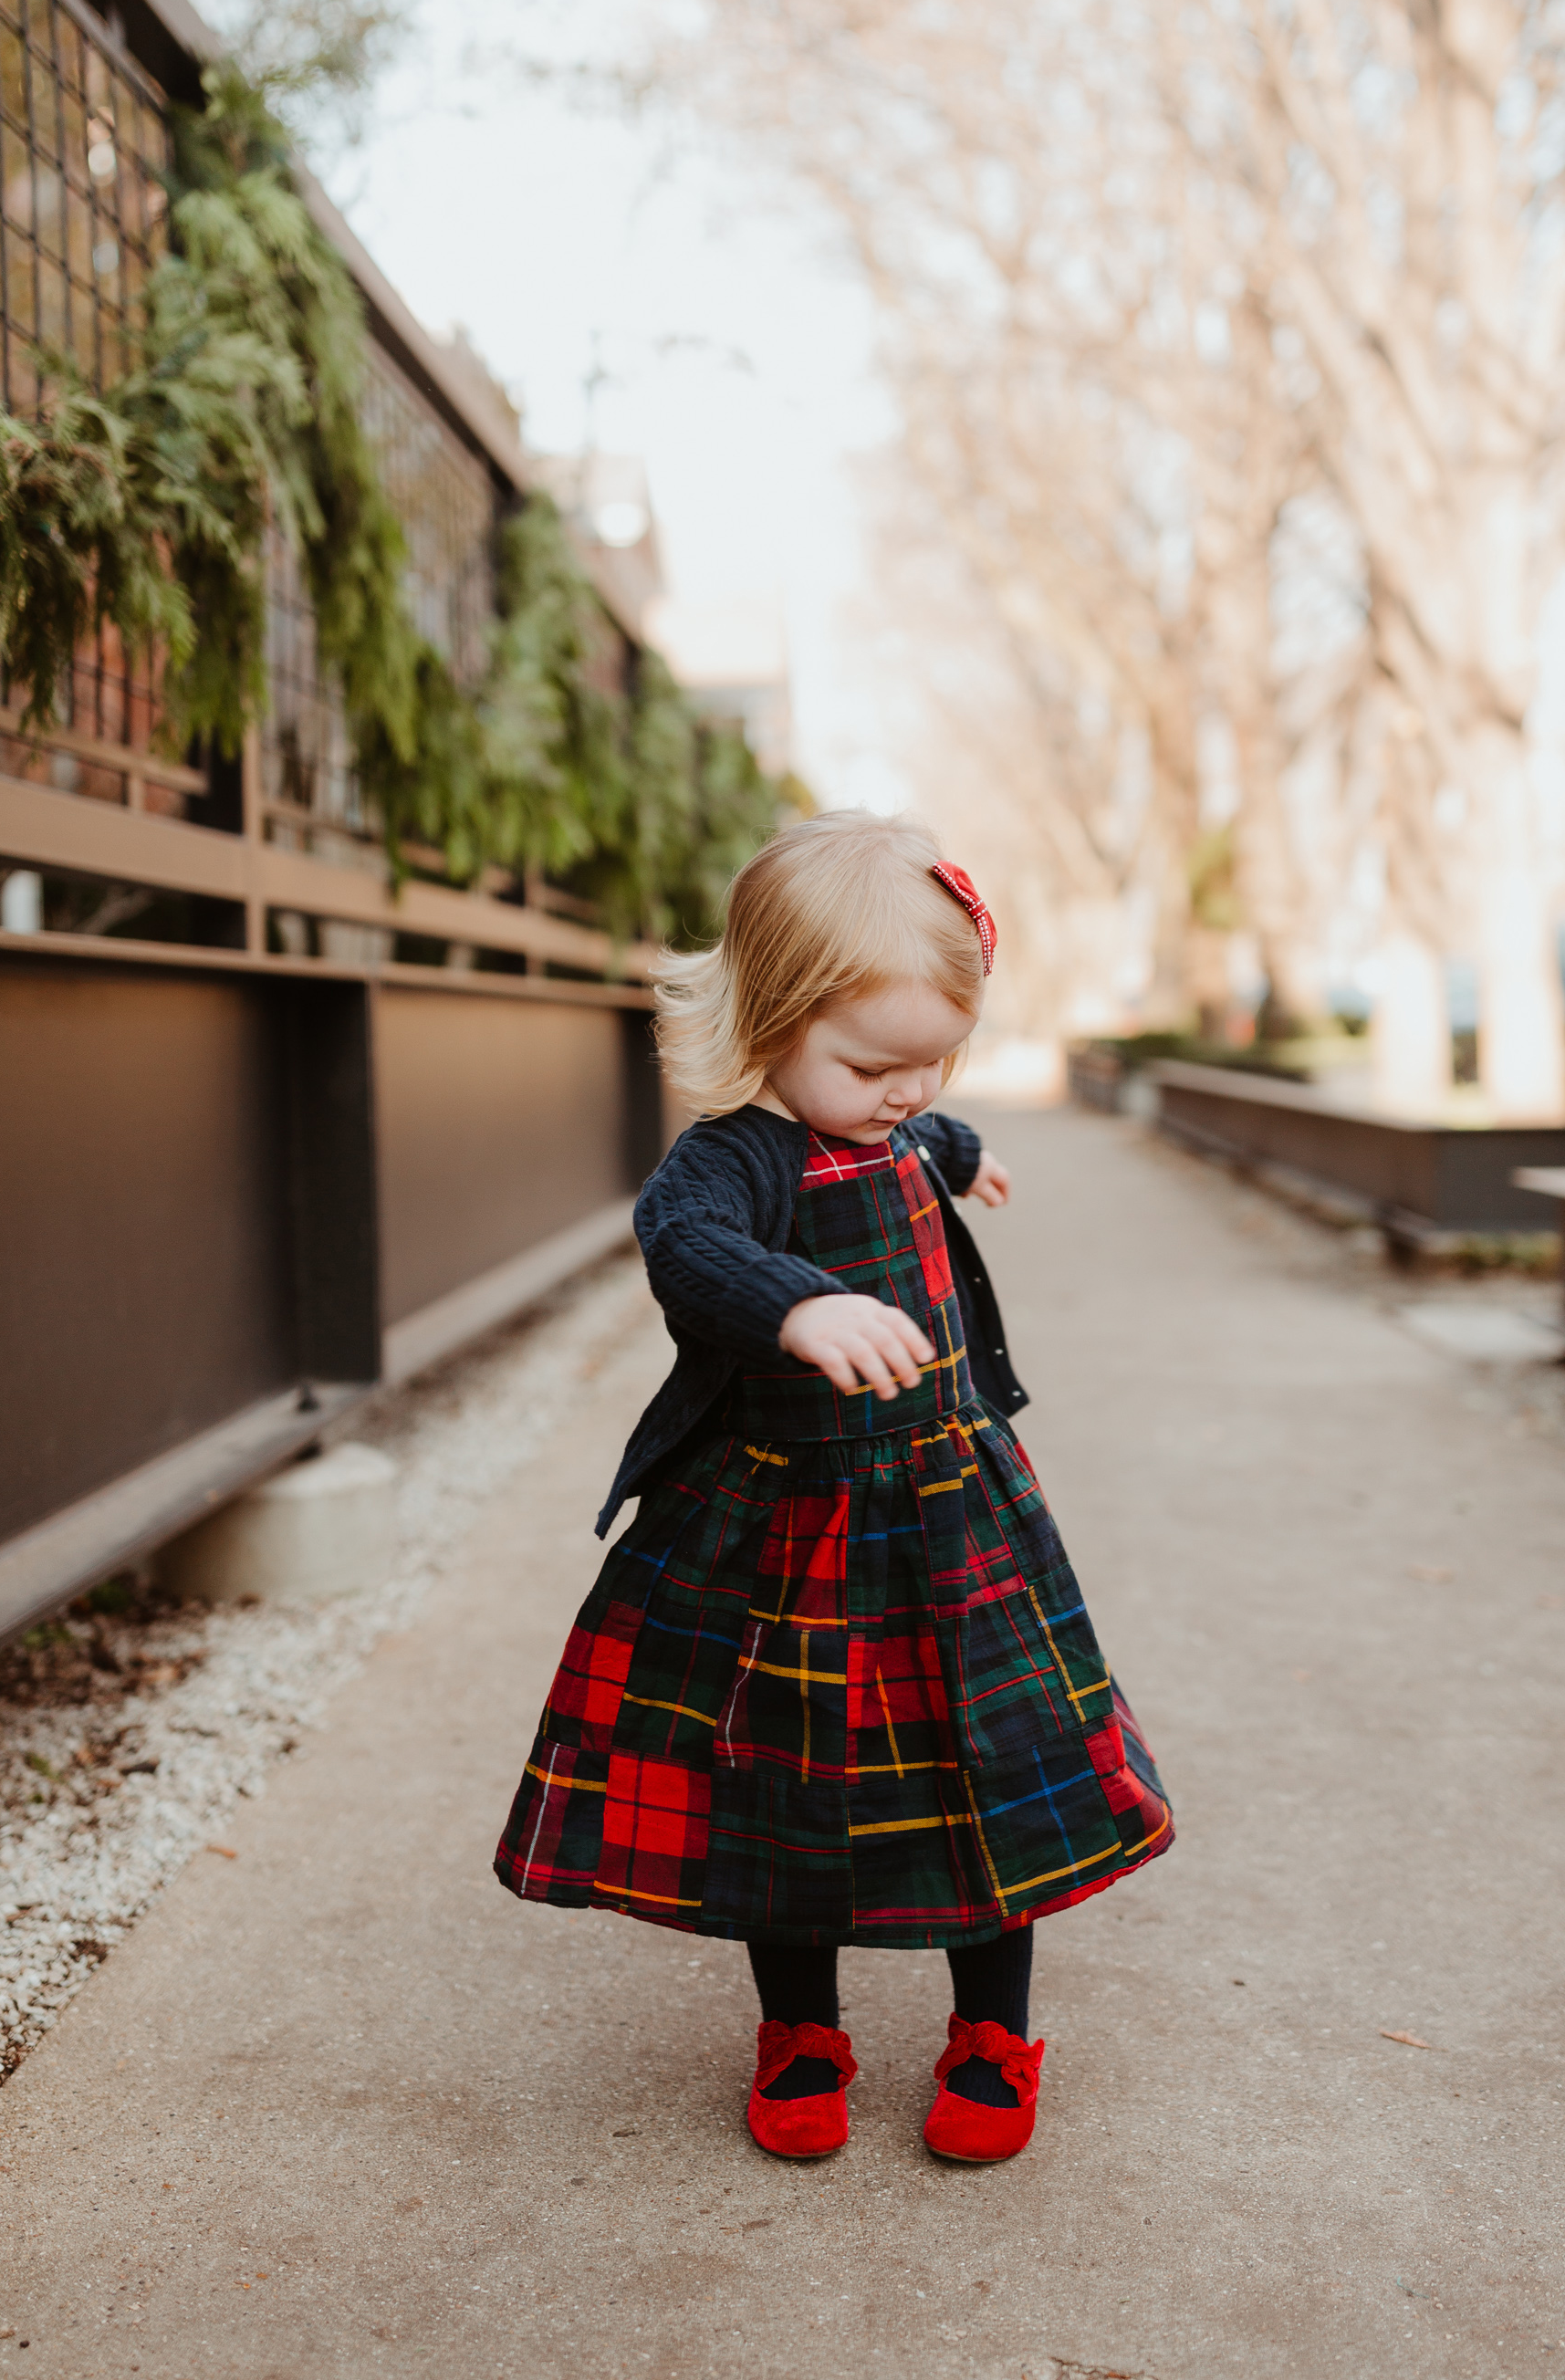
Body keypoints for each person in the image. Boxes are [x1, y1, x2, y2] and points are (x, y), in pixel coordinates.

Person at [495, 809, 1173, 2164]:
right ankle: (800, 2028)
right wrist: (795, 1303)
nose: (907, 1092)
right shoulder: (739, 1155)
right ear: (768, 1019)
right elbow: (683, 1243)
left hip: (951, 1513)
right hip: (782, 1524)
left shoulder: (906, 1122)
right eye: (875, 1063)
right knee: (784, 1779)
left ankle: (993, 2029)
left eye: (937, 1063)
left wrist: (966, 1152)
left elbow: (927, 1136)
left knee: (988, 1761)